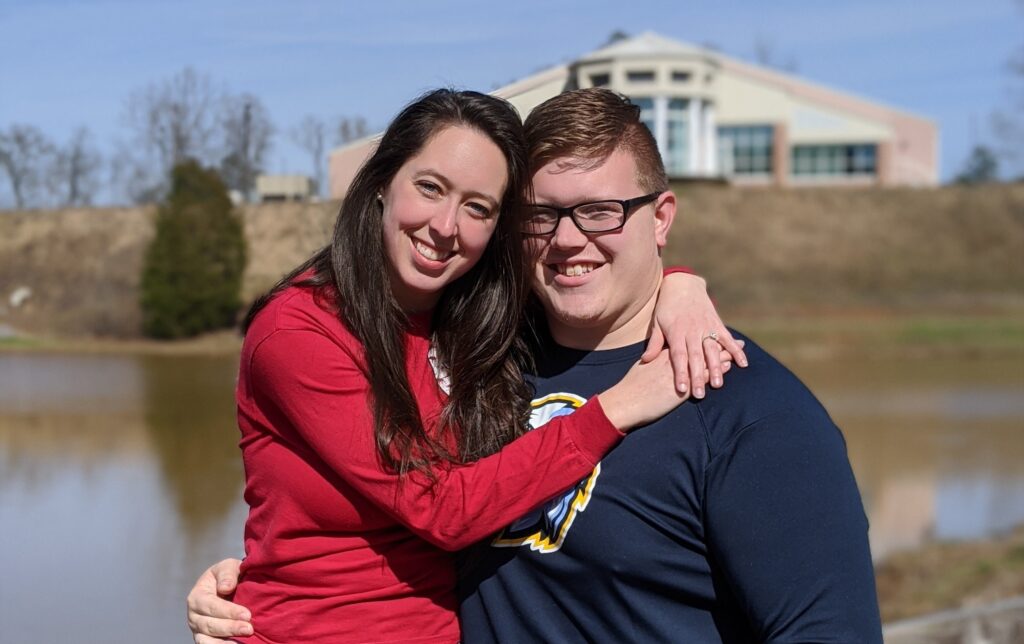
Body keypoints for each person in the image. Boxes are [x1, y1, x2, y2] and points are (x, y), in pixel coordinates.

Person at [189, 89, 880, 643]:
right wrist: (259, 583)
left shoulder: (744, 406)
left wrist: (682, 287)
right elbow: (415, 507)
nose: (568, 240)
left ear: (661, 218)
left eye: (601, 212)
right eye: (541, 216)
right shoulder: (490, 350)